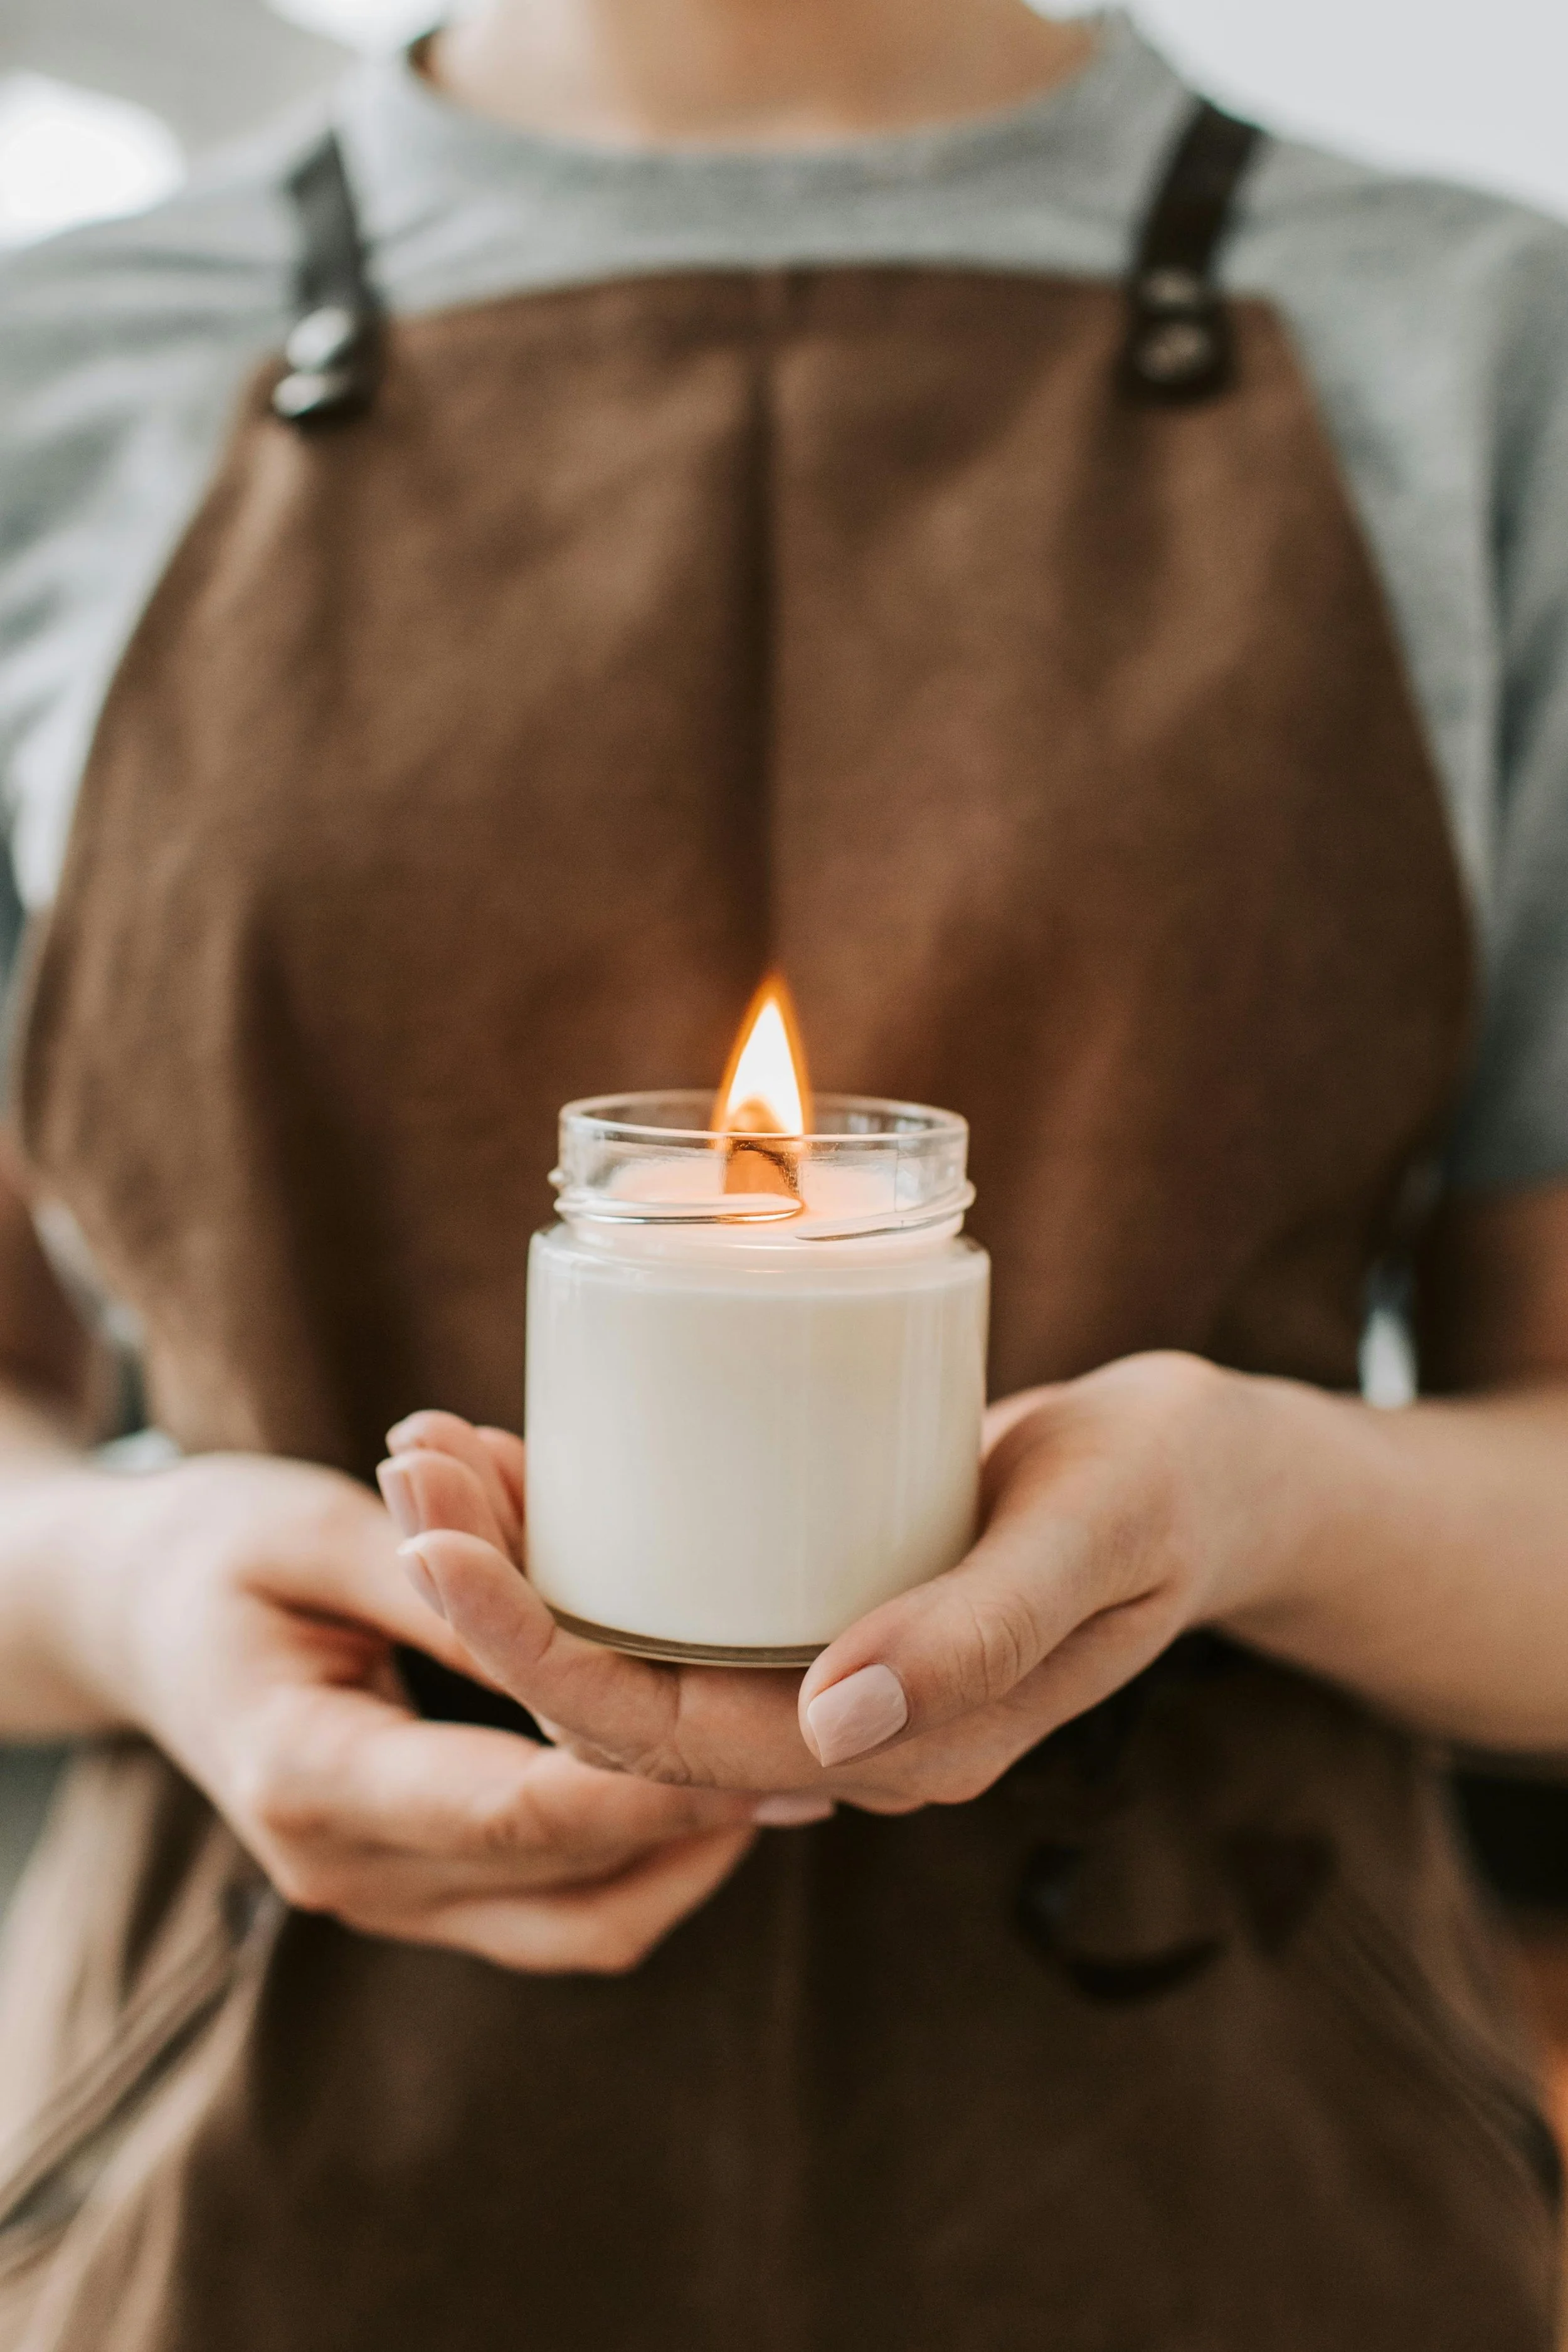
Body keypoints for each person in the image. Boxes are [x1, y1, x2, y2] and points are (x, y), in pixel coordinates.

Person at [0, 0, 1565, 2343]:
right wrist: (131, 1582)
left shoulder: (1484, 358)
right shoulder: (56, 371)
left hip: (1236, 2183)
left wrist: (1258, 1495)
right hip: (261, 2178)